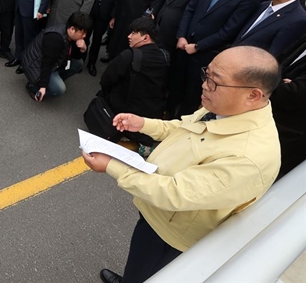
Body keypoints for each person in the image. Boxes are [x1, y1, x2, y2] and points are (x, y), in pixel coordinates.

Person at [86, 46, 281, 283]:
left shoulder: (248, 157)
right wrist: (144, 124)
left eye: (214, 82)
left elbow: (174, 193)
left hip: (171, 233)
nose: (204, 85)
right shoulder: (225, 109)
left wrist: (111, 166)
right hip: (159, 212)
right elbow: (184, 126)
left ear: (253, 95)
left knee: (148, 273)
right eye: (206, 75)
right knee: (138, 264)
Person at [172, 0, 261, 118]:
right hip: (183, 46)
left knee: (193, 95)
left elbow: (229, 30)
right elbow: (190, 9)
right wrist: (181, 35)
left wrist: (197, 46)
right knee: (174, 86)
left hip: (205, 54)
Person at [99, 17, 168, 154]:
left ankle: (125, 132)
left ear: (145, 38)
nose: (128, 36)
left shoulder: (128, 56)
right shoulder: (164, 56)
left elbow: (106, 79)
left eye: (133, 33)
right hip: (152, 113)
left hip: (126, 108)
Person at [22, 12, 92, 101]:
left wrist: (83, 49)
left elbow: (75, 56)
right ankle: (33, 86)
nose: (84, 36)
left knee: (78, 63)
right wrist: (43, 87)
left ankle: (54, 81)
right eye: (82, 33)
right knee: (59, 89)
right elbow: (46, 63)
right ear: (72, 29)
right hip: (34, 65)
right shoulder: (55, 38)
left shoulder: (72, 35)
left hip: (55, 62)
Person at [273, 34, 306, 178]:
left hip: (287, 133)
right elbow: (278, 61)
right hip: (268, 115)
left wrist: (269, 80)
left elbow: (292, 94)